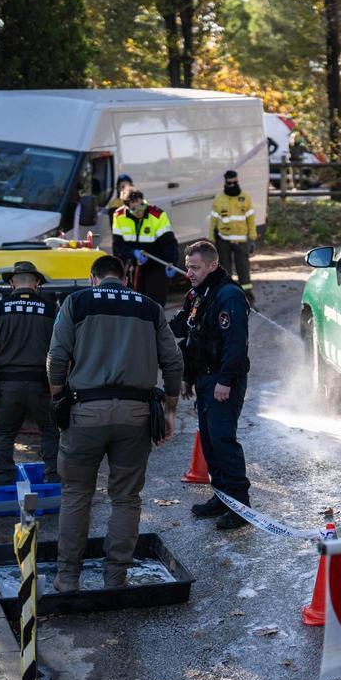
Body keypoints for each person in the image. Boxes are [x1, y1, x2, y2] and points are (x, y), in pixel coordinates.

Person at [47, 254, 184, 591]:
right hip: (135, 415)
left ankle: (67, 579)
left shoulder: (76, 302)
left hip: (86, 412)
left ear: (93, 278)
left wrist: (57, 396)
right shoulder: (149, 307)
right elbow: (173, 361)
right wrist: (169, 409)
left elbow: (57, 356)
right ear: (126, 279)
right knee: (125, 498)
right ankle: (115, 578)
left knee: (77, 494)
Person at [170, 240, 251, 531]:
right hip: (204, 378)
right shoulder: (198, 294)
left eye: (195, 267)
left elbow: (235, 344)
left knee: (222, 441)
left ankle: (240, 506)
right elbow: (188, 334)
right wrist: (188, 377)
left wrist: (225, 380)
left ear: (212, 265)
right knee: (209, 442)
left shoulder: (228, 295)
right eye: (187, 266)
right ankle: (222, 497)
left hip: (221, 380)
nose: (189, 272)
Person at [0, 261, 59, 485]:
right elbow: (63, 349)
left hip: (7, 387)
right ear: (37, 282)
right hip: (42, 386)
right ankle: (53, 480)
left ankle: (1, 479)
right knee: (50, 432)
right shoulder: (51, 310)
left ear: (12, 282)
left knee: (4, 434)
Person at [112, 189, 179, 307]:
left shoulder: (157, 215)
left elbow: (169, 243)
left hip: (156, 265)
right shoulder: (119, 216)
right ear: (127, 207)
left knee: (155, 303)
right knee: (133, 304)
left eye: (141, 206)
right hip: (133, 267)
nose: (139, 211)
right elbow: (118, 246)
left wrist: (172, 262)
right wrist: (132, 253)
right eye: (134, 209)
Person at [209, 170, 257, 307]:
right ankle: (226, 299)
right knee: (224, 271)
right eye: (230, 183)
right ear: (225, 183)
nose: (233, 185)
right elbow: (213, 220)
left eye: (235, 182)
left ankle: (248, 300)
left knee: (243, 271)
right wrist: (211, 238)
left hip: (241, 241)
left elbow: (251, 220)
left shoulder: (245, 198)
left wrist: (252, 239)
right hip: (223, 240)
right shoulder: (219, 199)